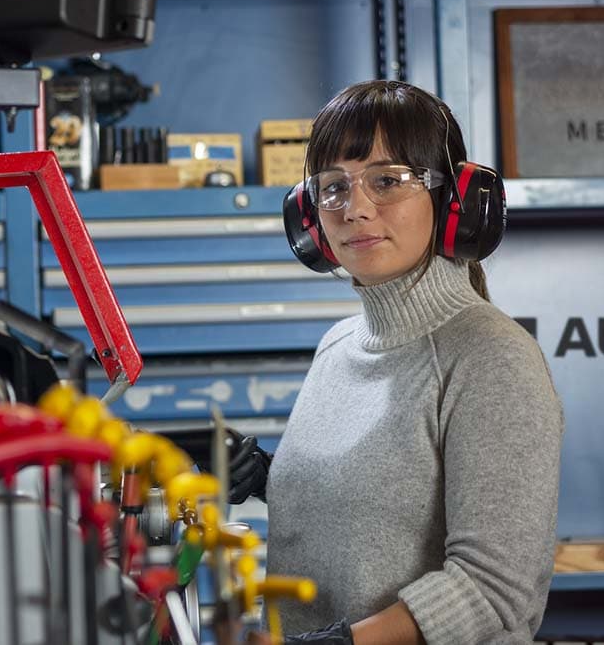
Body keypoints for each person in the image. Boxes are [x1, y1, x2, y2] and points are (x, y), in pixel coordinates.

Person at [226, 80, 565, 644]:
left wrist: (345, 642)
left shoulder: (492, 357)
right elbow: (381, 506)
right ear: (309, 219)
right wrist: (269, 478)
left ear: (454, 201)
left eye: (387, 181)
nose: (355, 208)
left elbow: (494, 589)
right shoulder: (338, 345)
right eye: (333, 187)